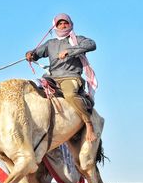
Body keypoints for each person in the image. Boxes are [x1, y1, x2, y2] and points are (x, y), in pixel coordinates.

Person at [26, 13, 97, 142]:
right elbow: (36, 53)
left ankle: (88, 123)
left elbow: (92, 44)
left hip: (70, 77)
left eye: (65, 23)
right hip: (52, 77)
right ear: (55, 26)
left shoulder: (78, 39)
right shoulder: (50, 43)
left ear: (70, 25)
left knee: (69, 94)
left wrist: (70, 51)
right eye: (60, 23)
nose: (63, 25)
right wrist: (30, 54)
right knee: (32, 88)